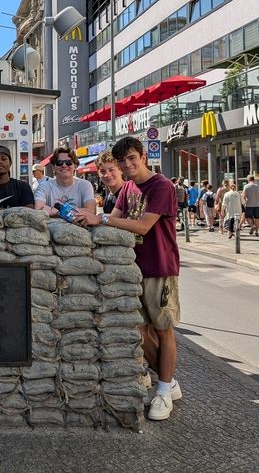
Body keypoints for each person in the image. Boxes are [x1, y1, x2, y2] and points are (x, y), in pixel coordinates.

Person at [72, 136, 181, 421]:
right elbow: (114, 219)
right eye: (123, 161)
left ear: (143, 156)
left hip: (159, 267)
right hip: (131, 268)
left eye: (132, 158)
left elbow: (143, 226)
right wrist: (85, 220)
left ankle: (163, 392)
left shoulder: (162, 186)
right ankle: (167, 381)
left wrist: (103, 219)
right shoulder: (127, 188)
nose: (128, 165)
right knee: (140, 331)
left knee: (163, 329)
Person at [35, 147, 96, 218]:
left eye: (68, 162)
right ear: (53, 167)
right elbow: (38, 209)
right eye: (59, 162)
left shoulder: (85, 185)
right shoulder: (44, 186)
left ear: (75, 166)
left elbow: (91, 211)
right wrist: (73, 212)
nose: (64, 165)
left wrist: (57, 211)